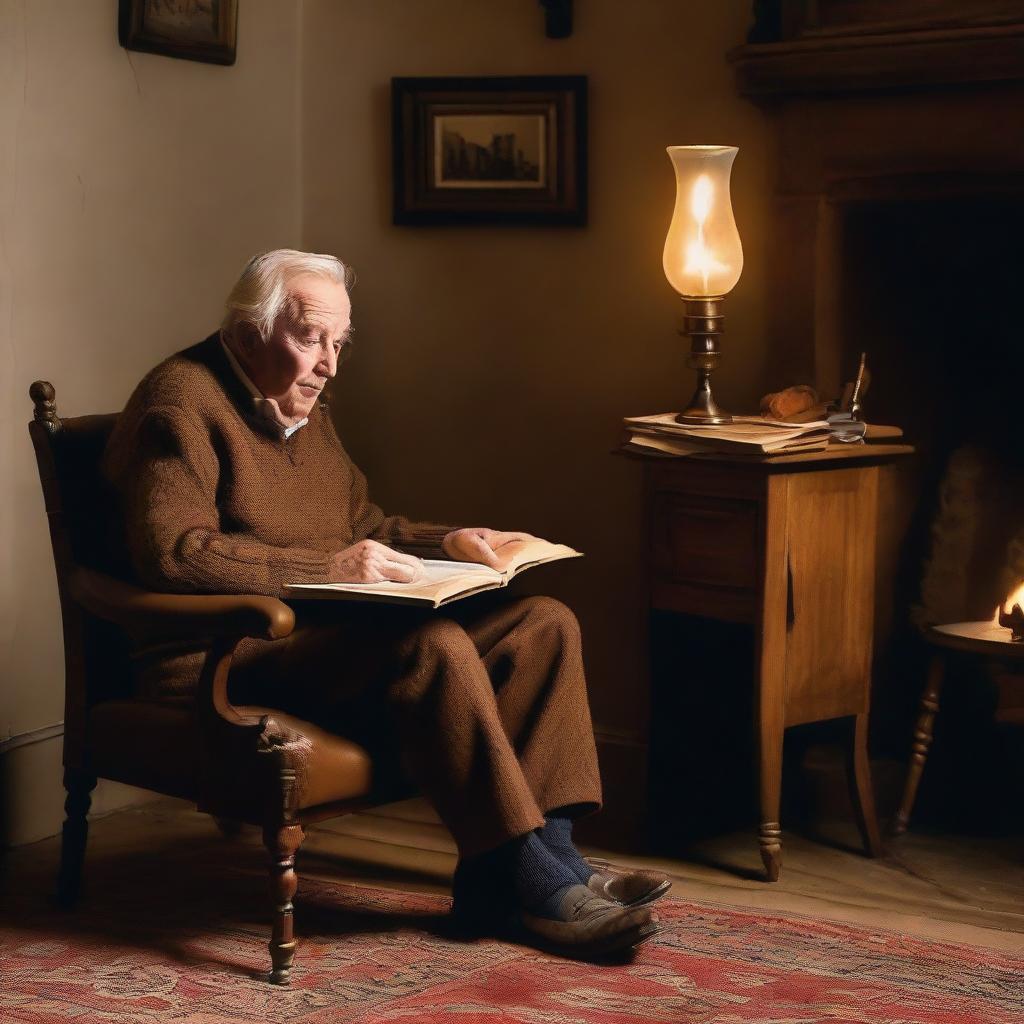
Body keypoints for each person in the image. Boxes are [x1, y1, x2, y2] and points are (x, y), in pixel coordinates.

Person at [102, 249, 669, 957]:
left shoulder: (303, 402)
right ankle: (545, 889)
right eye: (310, 337)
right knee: (432, 647)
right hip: (227, 651)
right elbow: (175, 552)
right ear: (249, 331)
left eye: (339, 342)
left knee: (544, 623)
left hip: (326, 637)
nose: (329, 364)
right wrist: (326, 566)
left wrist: (454, 539)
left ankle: (547, 870)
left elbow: (361, 527)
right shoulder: (180, 400)